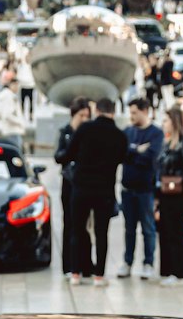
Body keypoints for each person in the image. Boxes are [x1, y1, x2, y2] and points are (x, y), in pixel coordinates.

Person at [63, 95, 127, 287]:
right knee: (101, 232)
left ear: (97, 110)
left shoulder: (85, 129)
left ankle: (75, 273)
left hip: (81, 187)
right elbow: (123, 159)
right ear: (113, 112)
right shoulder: (119, 135)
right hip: (104, 190)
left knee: (77, 229)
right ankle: (99, 275)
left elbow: (69, 154)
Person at [117, 97, 163, 279]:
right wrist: (137, 150)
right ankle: (127, 261)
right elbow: (122, 154)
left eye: (135, 112)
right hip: (128, 188)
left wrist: (132, 152)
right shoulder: (127, 132)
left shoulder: (156, 134)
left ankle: (148, 262)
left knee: (148, 228)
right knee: (129, 229)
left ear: (145, 111)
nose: (132, 116)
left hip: (146, 189)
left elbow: (151, 158)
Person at [156, 104, 183, 287]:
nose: (163, 124)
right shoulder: (168, 145)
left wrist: (177, 183)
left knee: (175, 233)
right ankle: (169, 270)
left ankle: (179, 272)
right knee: (165, 232)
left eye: (166, 120)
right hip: (165, 195)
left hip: (177, 196)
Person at [54, 96, 90, 278]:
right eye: (82, 116)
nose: (84, 120)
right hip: (69, 182)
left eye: (87, 116)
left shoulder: (88, 134)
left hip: (83, 183)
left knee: (83, 226)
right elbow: (59, 156)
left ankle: (85, 264)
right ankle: (68, 265)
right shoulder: (66, 132)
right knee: (69, 223)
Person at [0, 73, 27, 142]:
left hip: (9, 130)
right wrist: (20, 122)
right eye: (16, 85)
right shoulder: (9, 96)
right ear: (11, 85)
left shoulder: (4, 96)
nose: (17, 87)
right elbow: (7, 115)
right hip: (13, 131)